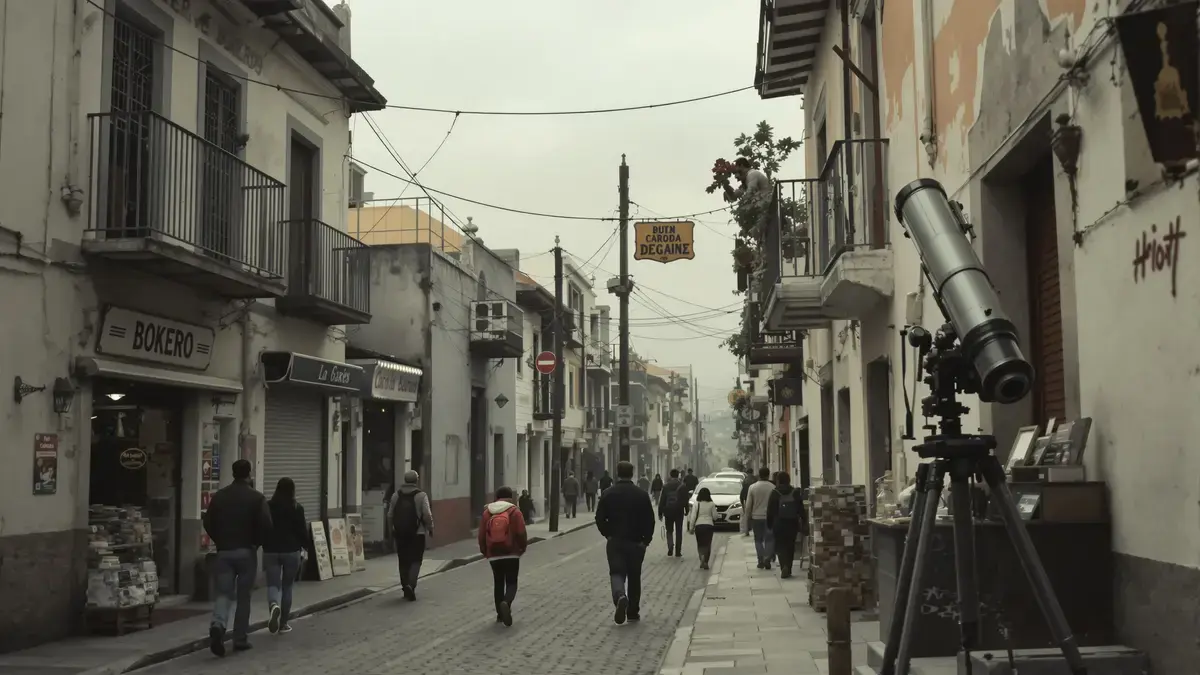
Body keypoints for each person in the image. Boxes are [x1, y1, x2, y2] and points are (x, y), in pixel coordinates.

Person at [203, 459, 272, 657]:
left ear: (233, 473)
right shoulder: (257, 498)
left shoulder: (220, 496)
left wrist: (220, 540)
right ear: (249, 473)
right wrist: (255, 542)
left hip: (224, 552)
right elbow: (267, 525)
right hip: (246, 553)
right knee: (243, 597)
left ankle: (218, 623)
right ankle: (240, 639)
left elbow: (208, 522)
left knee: (223, 593)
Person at [595, 460, 655, 625]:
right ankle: (633, 612)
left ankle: (620, 595)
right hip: (636, 543)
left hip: (615, 541)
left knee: (616, 572)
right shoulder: (641, 494)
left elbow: (599, 518)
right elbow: (650, 520)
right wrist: (645, 541)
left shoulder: (608, 493)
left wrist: (608, 534)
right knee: (635, 577)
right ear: (632, 473)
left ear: (617, 473)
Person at [479, 486, 529, 627]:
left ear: (496, 497)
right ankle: (506, 603)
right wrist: (521, 548)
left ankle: (500, 616)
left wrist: (485, 551)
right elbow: (521, 532)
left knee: (498, 583)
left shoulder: (487, 512)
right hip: (512, 553)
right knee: (511, 582)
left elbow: (481, 535)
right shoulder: (514, 511)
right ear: (510, 497)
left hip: (494, 554)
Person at [262, 477, 307, 635]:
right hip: (291, 550)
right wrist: (306, 547)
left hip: (271, 550)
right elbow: (302, 531)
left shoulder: (268, 506)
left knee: (273, 585)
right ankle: (283, 624)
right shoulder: (297, 508)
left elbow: (263, 526)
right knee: (287, 586)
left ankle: (274, 605)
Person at [389, 470, 435, 601]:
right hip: (417, 534)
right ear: (417, 480)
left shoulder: (396, 495)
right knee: (416, 560)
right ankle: (411, 585)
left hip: (400, 533)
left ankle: (405, 587)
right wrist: (430, 528)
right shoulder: (421, 496)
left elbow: (390, 515)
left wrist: (391, 530)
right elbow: (427, 515)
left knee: (403, 560)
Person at [766, 472, 805, 578]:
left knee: (780, 546)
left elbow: (770, 510)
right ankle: (789, 566)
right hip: (792, 523)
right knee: (790, 545)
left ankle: (784, 566)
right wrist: (804, 521)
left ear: (778, 480)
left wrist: (769, 524)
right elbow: (801, 509)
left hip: (778, 523)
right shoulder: (795, 492)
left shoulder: (775, 492)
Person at [742, 467, 777, 569]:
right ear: (768, 475)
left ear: (759, 475)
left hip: (756, 517)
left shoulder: (753, 487)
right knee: (769, 539)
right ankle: (767, 558)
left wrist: (747, 519)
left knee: (758, 539)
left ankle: (760, 559)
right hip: (770, 517)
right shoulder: (773, 487)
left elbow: (748, 506)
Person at [658, 469, 688, 558]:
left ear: (670, 475)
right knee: (679, 531)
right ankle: (678, 551)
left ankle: (670, 546)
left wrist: (660, 512)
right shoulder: (682, 486)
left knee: (669, 530)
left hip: (668, 511)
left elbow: (662, 500)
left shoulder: (666, 486)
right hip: (679, 511)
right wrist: (687, 510)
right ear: (678, 475)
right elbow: (685, 499)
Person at [687, 487, 717, 569]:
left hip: (699, 526)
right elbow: (715, 517)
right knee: (708, 544)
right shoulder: (711, 504)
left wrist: (691, 527)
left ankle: (701, 558)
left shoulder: (697, 504)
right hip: (709, 526)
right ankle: (706, 561)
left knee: (700, 544)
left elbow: (693, 517)